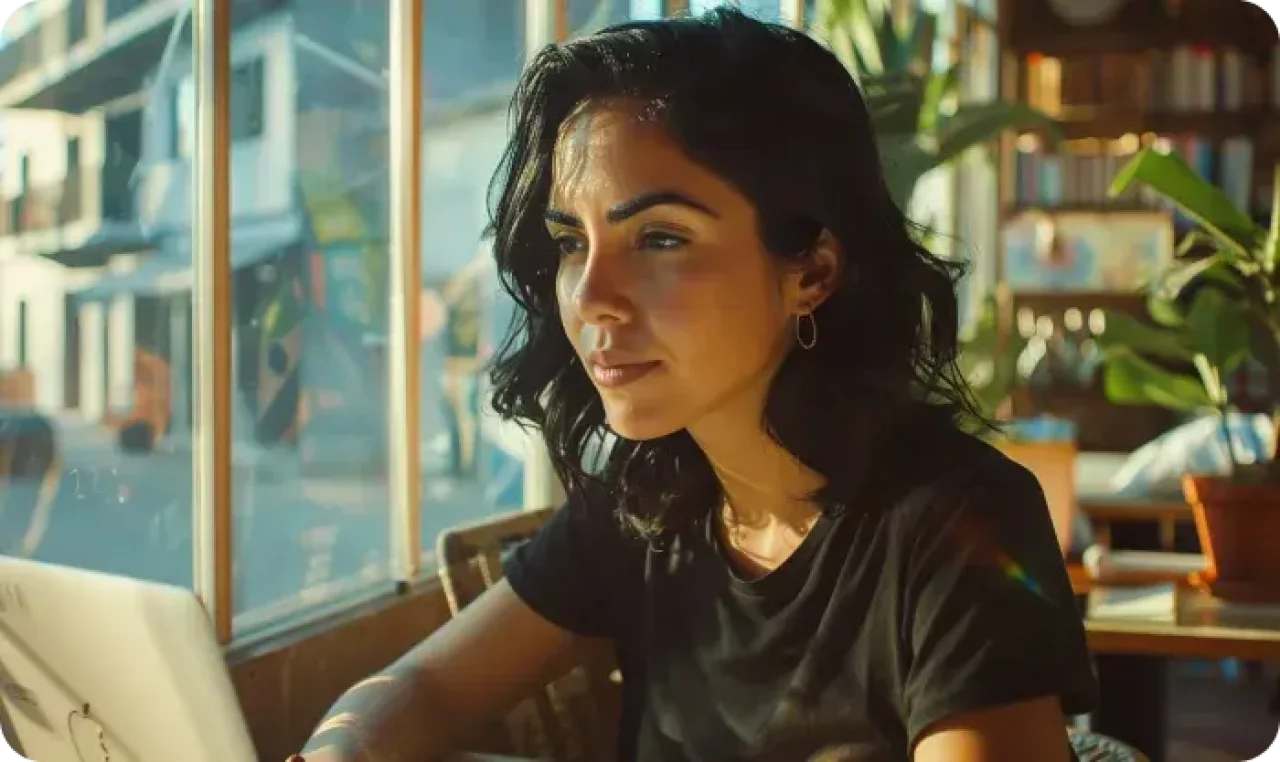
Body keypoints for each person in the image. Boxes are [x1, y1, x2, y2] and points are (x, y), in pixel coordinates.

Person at [292, 8, 1097, 762]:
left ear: (811, 270)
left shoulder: (959, 526)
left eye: (661, 238)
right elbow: (422, 686)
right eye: (572, 243)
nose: (593, 296)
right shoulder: (643, 506)